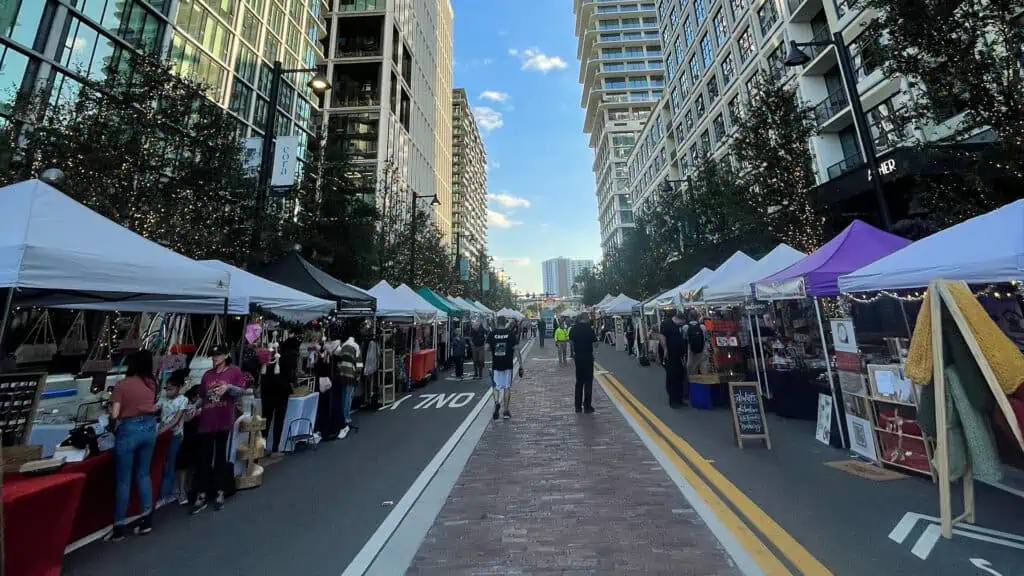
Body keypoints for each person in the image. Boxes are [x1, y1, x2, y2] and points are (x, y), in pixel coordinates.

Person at [108, 350, 159, 540]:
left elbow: (114, 414)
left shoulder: (122, 385)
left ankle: (119, 525)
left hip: (129, 430)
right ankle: (146, 518)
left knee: (123, 480)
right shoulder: (152, 384)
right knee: (143, 474)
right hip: (149, 428)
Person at [192, 344, 246, 514]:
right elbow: (202, 396)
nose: (215, 358)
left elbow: (241, 391)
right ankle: (201, 494)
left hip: (223, 419)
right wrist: (193, 407)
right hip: (207, 420)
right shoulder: (207, 375)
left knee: (221, 456)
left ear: (225, 355)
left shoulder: (234, 371)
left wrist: (228, 388)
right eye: (213, 355)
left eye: (218, 354)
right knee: (204, 458)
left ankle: (220, 492)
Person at [157, 369, 189, 506]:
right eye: (167, 389)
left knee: (170, 463)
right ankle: (163, 492)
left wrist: (161, 430)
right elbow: (153, 408)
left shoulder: (183, 400)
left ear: (178, 388)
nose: (168, 391)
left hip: (175, 435)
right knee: (162, 464)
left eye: (171, 389)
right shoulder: (162, 399)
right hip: (162, 436)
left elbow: (176, 420)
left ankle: (166, 494)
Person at [488, 315, 523, 420]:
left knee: (495, 386)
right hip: (507, 364)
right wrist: (521, 365)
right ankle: (506, 410)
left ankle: (496, 402)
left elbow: (486, 347)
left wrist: (493, 348)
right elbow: (516, 349)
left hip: (496, 364)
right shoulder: (510, 334)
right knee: (507, 387)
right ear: (505, 322)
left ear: (497, 322)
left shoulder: (492, 333)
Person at [175, 385, 202, 506]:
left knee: (193, 464)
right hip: (187, 438)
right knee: (185, 464)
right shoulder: (186, 407)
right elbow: (184, 420)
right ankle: (182, 491)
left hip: (197, 438)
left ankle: (188, 488)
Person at [568, 312, 599, 413]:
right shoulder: (590, 330)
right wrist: (596, 337)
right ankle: (587, 406)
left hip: (578, 358)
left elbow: (571, 343)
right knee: (588, 382)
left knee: (579, 382)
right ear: (586, 319)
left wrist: (573, 353)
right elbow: (596, 345)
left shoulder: (573, 329)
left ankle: (577, 406)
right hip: (588, 357)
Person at [659, 311, 689, 408]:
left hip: (679, 355)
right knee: (672, 377)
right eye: (682, 322)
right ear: (678, 319)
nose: (682, 324)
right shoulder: (666, 324)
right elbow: (662, 336)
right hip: (670, 355)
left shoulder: (678, 326)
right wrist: (665, 349)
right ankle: (673, 400)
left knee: (680, 377)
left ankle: (680, 399)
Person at [336, 333, 361, 439]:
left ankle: (342, 416)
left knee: (343, 395)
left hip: (342, 375)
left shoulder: (343, 346)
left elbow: (338, 362)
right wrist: (358, 375)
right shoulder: (356, 347)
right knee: (348, 396)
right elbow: (359, 363)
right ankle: (346, 417)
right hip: (351, 374)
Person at [683, 310, 707, 375]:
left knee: (692, 370)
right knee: (703, 368)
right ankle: (705, 382)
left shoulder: (685, 327)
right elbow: (706, 338)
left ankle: (694, 383)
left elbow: (684, 339)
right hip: (702, 350)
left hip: (691, 351)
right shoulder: (703, 327)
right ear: (697, 317)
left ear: (689, 317)